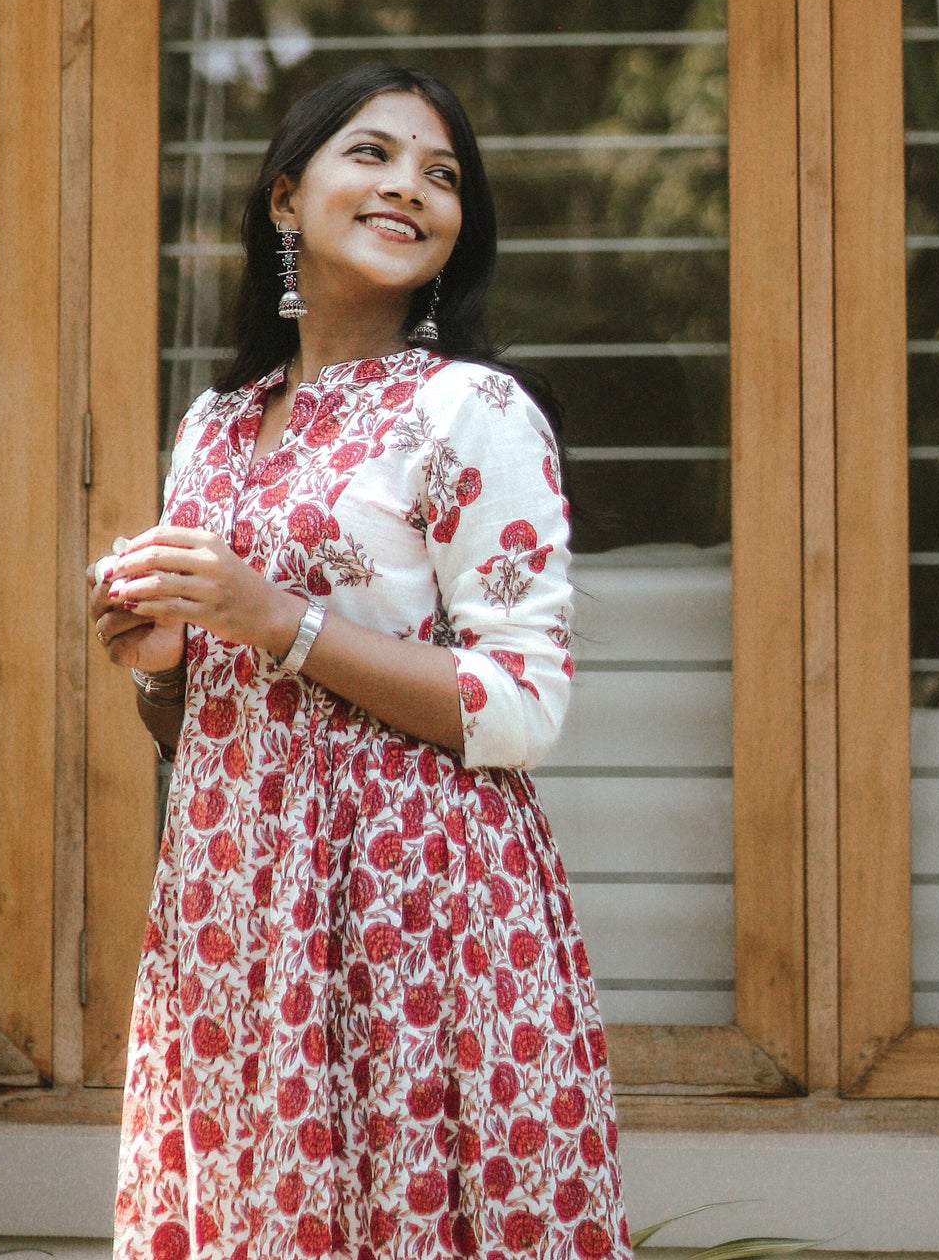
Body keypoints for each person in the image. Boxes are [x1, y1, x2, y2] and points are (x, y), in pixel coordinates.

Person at [90, 64, 631, 1260]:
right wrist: (161, 661)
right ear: (286, 198)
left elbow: (522, 704)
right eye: (372, 154)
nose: (408, 187)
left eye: (441, 174)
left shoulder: (469, 411)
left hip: (417, 912)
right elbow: (207, 728)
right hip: (236, 913)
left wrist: (271, 614)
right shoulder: (213, 426)